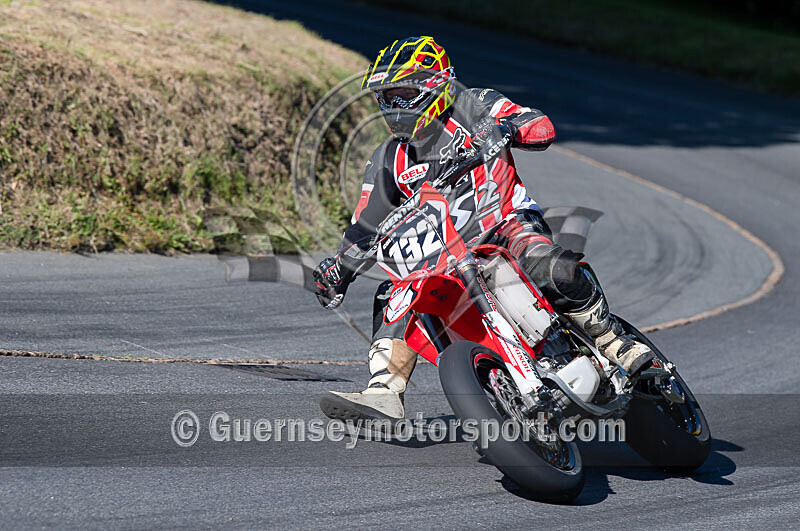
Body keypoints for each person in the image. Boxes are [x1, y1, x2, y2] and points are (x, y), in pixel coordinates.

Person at [313, 36, 653, 421]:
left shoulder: (475, 105)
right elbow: (364, 226)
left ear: (436, 84)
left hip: (505, 224)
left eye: (403, 93)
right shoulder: (387, 158)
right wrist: (338, 269)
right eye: (386, 97)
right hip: (439, 255)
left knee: (551, 266)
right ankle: (383, 391)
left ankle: (612, 339)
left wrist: (507, 130)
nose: (393, 107)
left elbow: (539, 125)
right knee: (393, 294)